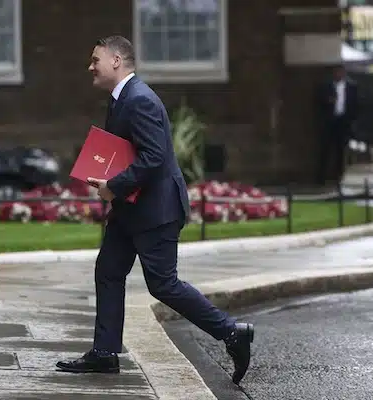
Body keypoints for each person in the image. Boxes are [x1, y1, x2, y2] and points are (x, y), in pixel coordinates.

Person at [55, 36, 254, 385]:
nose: (90, 66)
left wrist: (112, 186)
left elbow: (153, 157)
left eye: (95, 59)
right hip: (130, 209)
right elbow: (128, 153)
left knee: (163, 284)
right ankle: (104, 353)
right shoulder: (122, 100)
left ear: (116, 61)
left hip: (154, 210)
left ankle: (231, 332)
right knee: (108, 271)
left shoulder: (140, 100)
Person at [316, 64, 358, 184]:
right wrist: (328, 101)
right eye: (336, 72)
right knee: (326, 149)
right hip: (329, 121)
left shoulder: (351, 86)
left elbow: (354, 104)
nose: (339, 74)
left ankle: (338, 176)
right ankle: (321, 176)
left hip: (343, 121)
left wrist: (352, 120)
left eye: (341, 72)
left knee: (341, 150)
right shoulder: (326, 86)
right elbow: (318, 101)